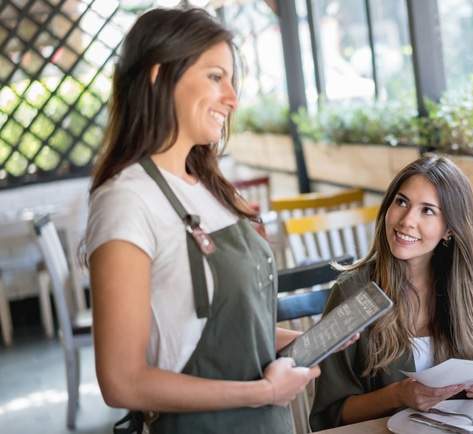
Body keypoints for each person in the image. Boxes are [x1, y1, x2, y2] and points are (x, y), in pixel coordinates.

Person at [86, 8, 318, 433]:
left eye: (231, 79)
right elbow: (122, 382)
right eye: (215, 76)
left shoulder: (212, 186)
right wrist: (262, 393)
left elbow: (221, 333)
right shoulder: (126, 201)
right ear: (160, 76)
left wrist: (315, 342)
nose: (232, 97)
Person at [309, 155, 473, 430]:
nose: (406, 220)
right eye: (401, 201)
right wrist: (398, 395)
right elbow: (329, 416)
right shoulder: (353, 294)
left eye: (427, 210)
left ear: (449, 229)